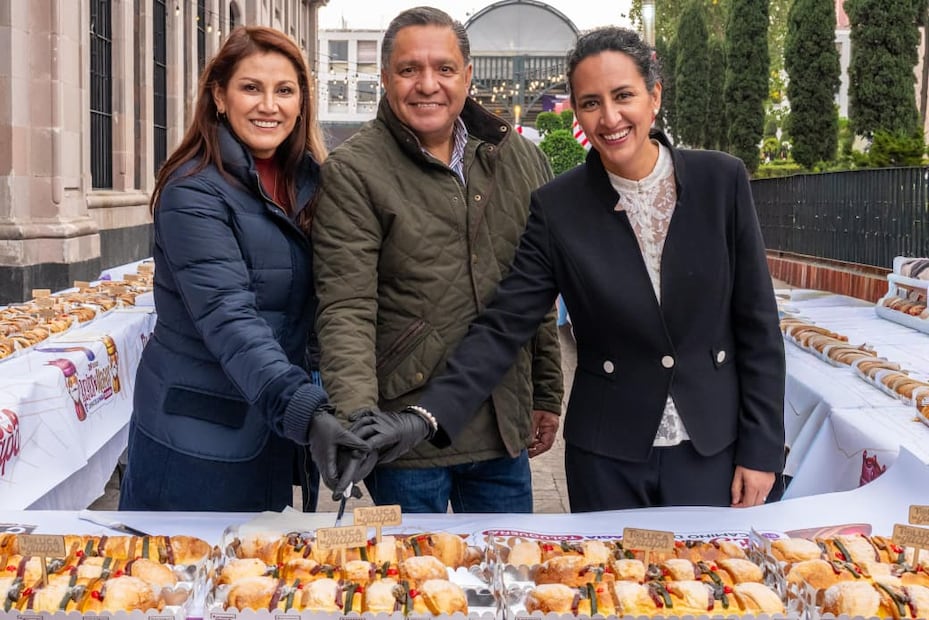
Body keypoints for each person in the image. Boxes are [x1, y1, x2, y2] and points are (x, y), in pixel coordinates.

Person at [346, 26, 787, 512]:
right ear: (576, 111)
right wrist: (424, 416)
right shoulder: (560, 207)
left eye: (624, 96)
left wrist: (762, 450)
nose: (611, 117)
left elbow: (758, 328)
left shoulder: (721, 180)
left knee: (709, 584)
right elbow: (504, 325)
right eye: (591, 102)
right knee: (606, 585)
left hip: (714, 449)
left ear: (653, 96)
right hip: (609, 456)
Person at [312, 6, 564, 513]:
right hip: (407, 439)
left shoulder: (518, 158)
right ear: (385, 78)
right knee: (414, 583)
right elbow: (347, 307)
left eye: (444, 69)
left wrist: (546, 393)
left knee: (503, 579)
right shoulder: (354, 171)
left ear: (467, 75)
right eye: (409, 70)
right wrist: (360, 419)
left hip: (501, 426)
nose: (428, 85)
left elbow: (534, 292)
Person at [119, 26, 367, 512]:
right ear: (219, 96)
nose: (268, 106)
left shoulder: (312, 183)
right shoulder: (191, 192)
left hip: (269, 427)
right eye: (251, 87)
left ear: (301, 103)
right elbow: (228, 317)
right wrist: (306, 411)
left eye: (285, 90)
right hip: (198, 439)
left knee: (257, 580)